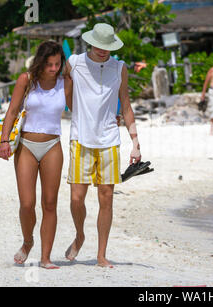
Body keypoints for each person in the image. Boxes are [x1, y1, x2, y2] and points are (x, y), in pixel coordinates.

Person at [63, 23, 141, 268]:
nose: (103, 51)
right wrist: (82, 116)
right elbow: (67, 96)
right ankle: (80, 235)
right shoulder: (74, 63)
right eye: (100, 46)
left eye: (108, 47)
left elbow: (125, 105)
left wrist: (135, 142)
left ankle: (101, 254)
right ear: (91, 42)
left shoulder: (119, 68)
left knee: (106, 197)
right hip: (80, 139)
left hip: (109, 141)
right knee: (77, 198)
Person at [0, 41, 68, 269]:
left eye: (57, 64)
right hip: (26, 145)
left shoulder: (65, 82)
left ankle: (45, 257)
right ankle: (28, 241)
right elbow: (12, 111)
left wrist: (111, 118)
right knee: (27, 203)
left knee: (50, 204)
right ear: (41, 61)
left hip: (52, 146)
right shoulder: (26, 80)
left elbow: (81, 107)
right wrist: (4, 140)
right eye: (49, 64)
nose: (53, 68)